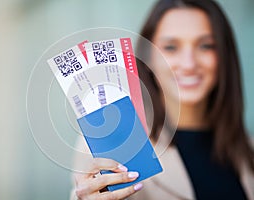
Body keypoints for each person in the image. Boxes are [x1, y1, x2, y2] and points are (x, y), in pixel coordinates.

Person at [70, 0, 254, 199]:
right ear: (149, 57)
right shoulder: (111, 143)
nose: (189, 63)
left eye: (206, 46)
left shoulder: (247, 150)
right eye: (171, 47)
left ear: (224, 57)